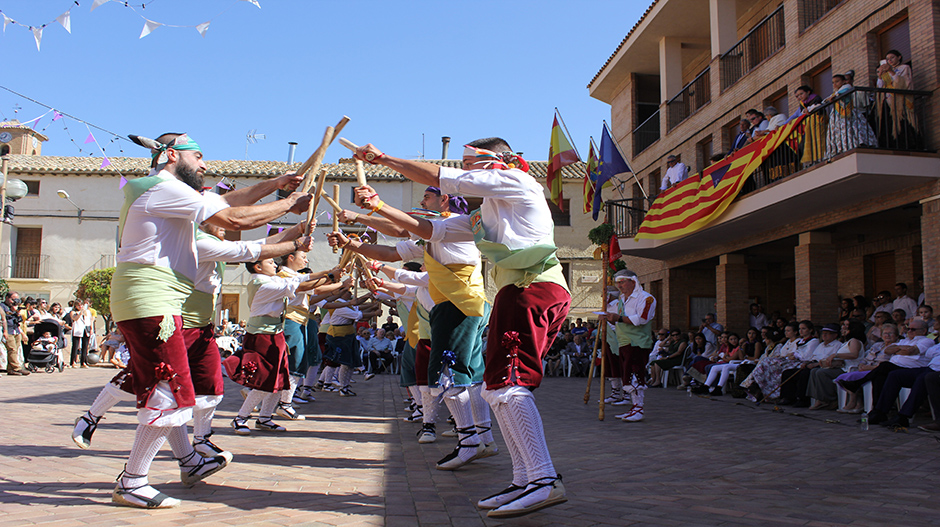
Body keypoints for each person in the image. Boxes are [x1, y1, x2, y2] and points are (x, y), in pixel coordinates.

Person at [346, 137, 570, 517]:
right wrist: (379, 206)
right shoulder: (485, 215)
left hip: (534, 286)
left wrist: (383, 159)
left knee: (511, 383)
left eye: (470, 162)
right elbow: (432, 231)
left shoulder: (517, 181)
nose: (464, 170)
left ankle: (544, 479)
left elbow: (445, 179)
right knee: (497, 387)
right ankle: (525, 478)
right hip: (515, 291)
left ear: (497, 161)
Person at [108, 131, 311, 509]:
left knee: (174, 391)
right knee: (168, 392)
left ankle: (183, 461)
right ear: (171, 155)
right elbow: (232, 216)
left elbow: (232, 200)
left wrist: (276, 186)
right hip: (150, 298)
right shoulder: (161, 188)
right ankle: (133, 481)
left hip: (157, 298)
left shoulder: (170, 189)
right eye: (198, 156)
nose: (204, 165)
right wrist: (287, 205)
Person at [330, 184, 496, 472]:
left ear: (444, 199)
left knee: (448, 371)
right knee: (466, 374)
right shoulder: (430, 237)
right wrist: (353, 245)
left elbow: (403, 228)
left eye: (427, 197)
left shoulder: (451, 224)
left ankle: (470, 442)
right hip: (459, 306)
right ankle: (484, 437)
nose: (421, 201)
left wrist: (371, 210)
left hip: (459, 305)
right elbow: (394, 250)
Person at [225, 258, 327, 435]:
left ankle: (265, 418)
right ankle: (240, 418)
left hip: (275, 333)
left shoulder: (273, 280)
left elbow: (302, 279)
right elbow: (299, 285)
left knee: (280, 378)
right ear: (258, 267)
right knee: (265, 380)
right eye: (270, 262)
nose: (275, 265)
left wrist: (331, 273)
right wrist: (331, 276)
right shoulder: (261, 284)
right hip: (262, 335)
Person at [601, 269, 656, 421]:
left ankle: (639, 409)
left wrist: (618, 318)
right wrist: (610, 319)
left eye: (622, 282)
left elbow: (642, 319)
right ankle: (635, 407)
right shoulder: (622, 300)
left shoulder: (646, 298)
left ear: (633, 281)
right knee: (628, 375)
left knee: (635, 375)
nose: (619, 286)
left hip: (637, 342)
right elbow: (619, 321)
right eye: (617, 282)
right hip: (624, 342)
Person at [806, 320, 865, 410]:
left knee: (821, 373)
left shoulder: (854, 341)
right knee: (814, 371)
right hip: (843, 367)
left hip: (850, 369)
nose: (842, 328)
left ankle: (829, 399)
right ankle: (819, 398)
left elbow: (854, 354)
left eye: (845, 326)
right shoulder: (846, 342)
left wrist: (835, 355)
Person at [1, 292, 29, 376]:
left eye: (16, 299)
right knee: (12, 349)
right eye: (12, 299)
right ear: (7, 298)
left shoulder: (15, 307)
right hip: (8, 330)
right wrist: (12, 311)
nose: (14, 301)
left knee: (16, 350)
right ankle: (17, 368)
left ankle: (11, 369)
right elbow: (5, 318)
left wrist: (17, 312)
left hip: (16, 329)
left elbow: (19, 319)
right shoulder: (2, 306)